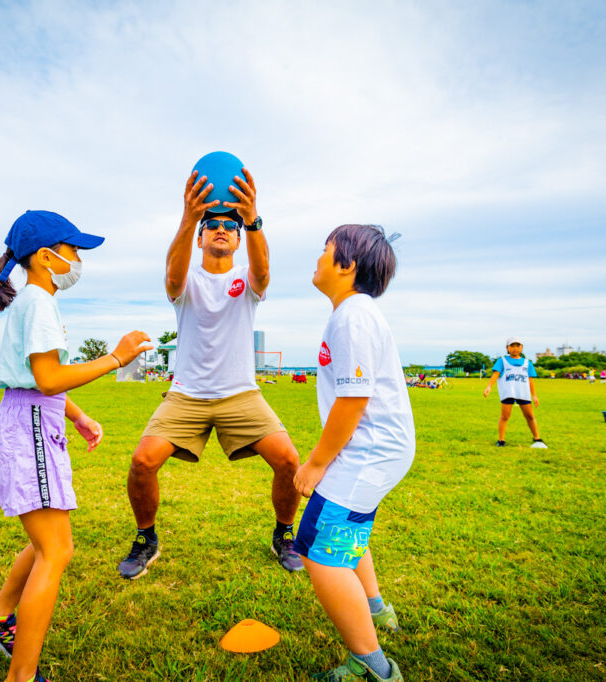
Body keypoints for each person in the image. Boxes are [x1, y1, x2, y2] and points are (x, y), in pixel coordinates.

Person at [0, 210, 152, 682]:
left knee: (49, 542)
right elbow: (46, 380)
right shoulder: (39, 302)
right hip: (27, 427)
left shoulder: (34, 300)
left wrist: (78, 415)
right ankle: (21, 676)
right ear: (46, 257)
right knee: (57, 550)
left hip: (31, 420)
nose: (78, 258)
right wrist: (116, 357)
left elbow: (34, 379)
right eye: (73, 250)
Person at [118, 158, 304, 580]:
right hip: (187, 394)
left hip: (240, 393)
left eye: (230, 223)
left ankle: (284, 535)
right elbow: (171, 274)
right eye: (213, 222)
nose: (222, 226)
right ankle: (146, 538)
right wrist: (188, 217)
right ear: (201, 235)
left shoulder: (246, 278)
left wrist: (253, 218)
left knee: (289, 460)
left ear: (239, 237)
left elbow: (264, 271)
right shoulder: (185, 280)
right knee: (143, 461)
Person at [293, 224, 412, 682]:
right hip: (373, 451)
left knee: (318, 550)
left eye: (325, 251)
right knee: (347, 532)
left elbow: (353, 399)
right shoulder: (351, 312)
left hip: (368, 452)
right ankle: (378, 611)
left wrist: (317, 463)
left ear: (347, 264)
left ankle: (373, 666)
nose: (318, 258)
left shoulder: (354, 316)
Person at [483, 338, 547, 448]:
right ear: (507, 348)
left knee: (530, 416)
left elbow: (530, 380)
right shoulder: (502, 361)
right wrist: (489, 386)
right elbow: (496, 375)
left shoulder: (528, 363)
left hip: (523, 393)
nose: (515, 348)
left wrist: (534, 396)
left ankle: (537, 437)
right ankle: (501, 440)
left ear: (522, 348)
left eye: (518, 346)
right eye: (512, 346)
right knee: (505, 416)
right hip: (508, 392)